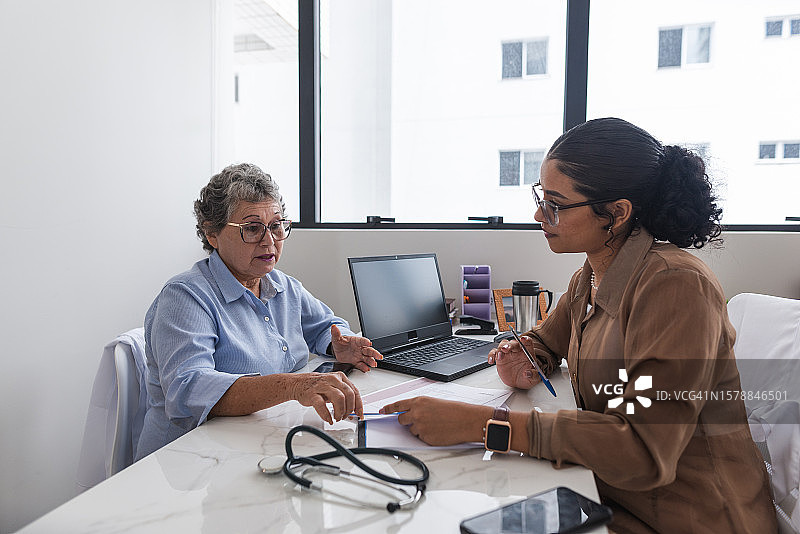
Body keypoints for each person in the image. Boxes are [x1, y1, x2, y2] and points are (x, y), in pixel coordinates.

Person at [380, 118, 777, 533]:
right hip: (613, 494)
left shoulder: (674, 285)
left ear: (617, 213)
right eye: (540, 196)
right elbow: (546, 341)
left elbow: (645, 450)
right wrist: (527, 354)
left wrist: (481, 426)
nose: (538, 214)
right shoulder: (591, 275)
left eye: (555, 203)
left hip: (694, 516)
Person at [136, 163, 381, 459]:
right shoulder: (185, 297)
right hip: (188, 464)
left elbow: (326, 326)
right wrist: (293, 386)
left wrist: (340, 344)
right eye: (252, 228)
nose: (269, 241)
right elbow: (189, 389)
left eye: (276, 225)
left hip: (261, 443)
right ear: (212, 234)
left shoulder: (281, 285)